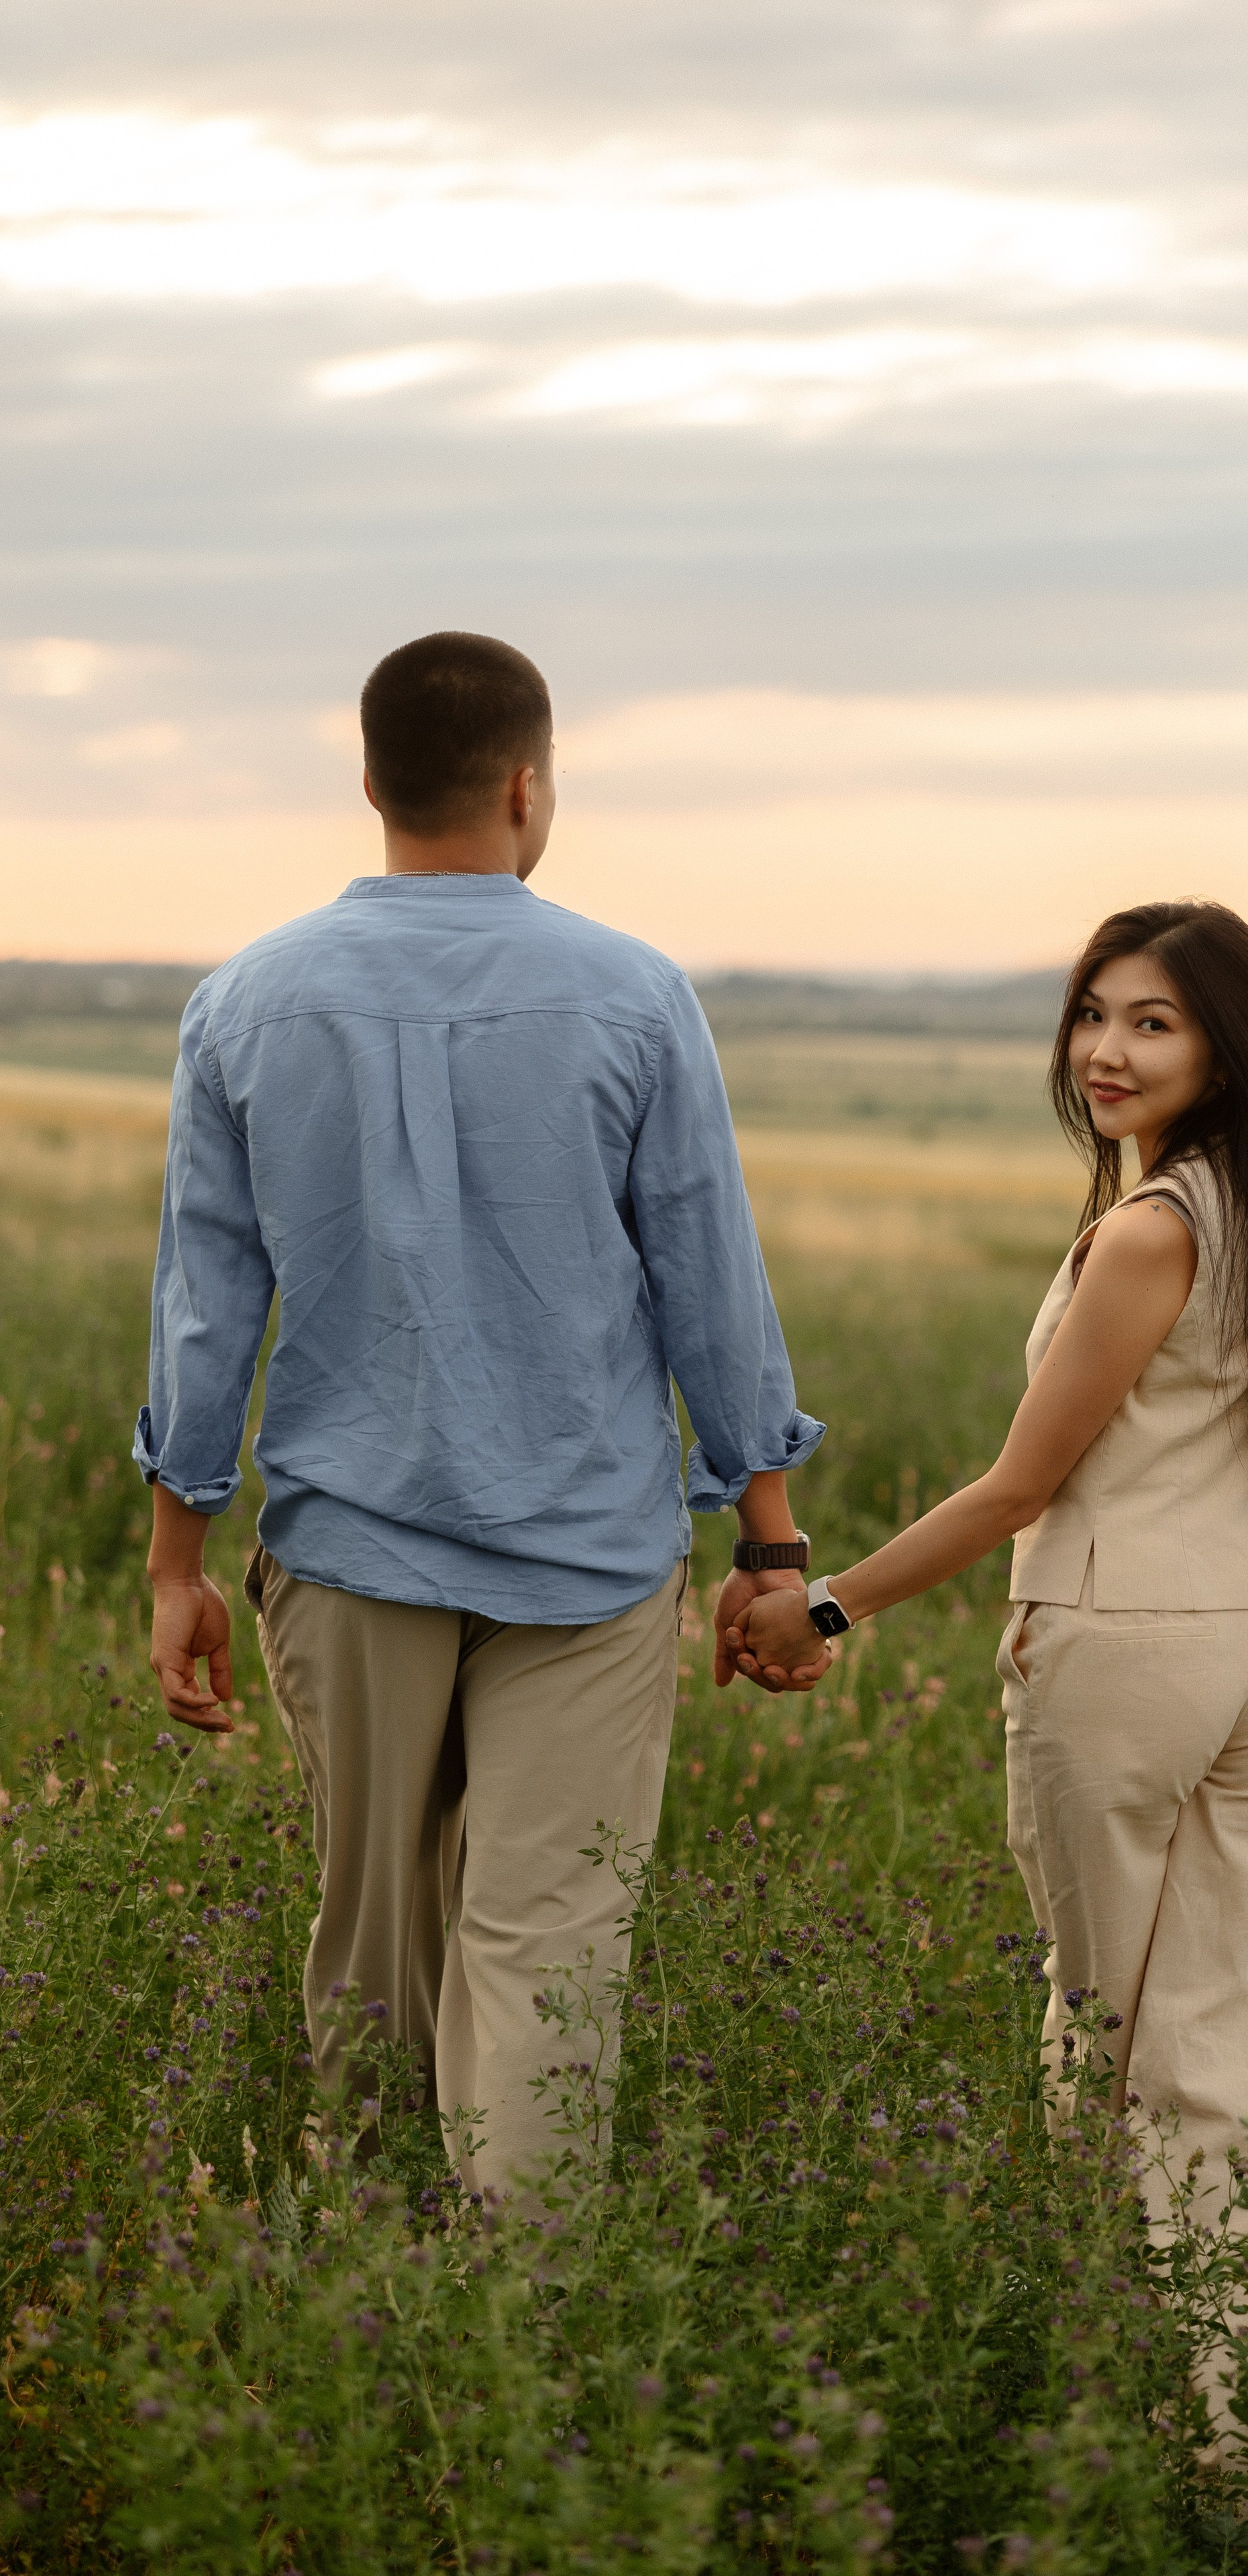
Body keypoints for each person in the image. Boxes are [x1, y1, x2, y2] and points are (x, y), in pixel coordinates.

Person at [140, 630, 826, 2207]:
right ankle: (517, 2343)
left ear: (371, 783)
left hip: (350, 1543)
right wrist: (771, 1549)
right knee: (546, 1956)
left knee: (372, 1950)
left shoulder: (243, 1002)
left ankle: (372, 2319)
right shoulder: (637, 996)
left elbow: (205, 1304)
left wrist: (180, 1562)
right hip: (586, 1560)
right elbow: (711, 1283)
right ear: (528, 785)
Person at [732, 901, 1248, 2387]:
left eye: (1150, 1022)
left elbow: (1020, 1484)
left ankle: (1124, 2409)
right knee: (1232, 2047)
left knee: (1100, 2049)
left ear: (1225, 1051)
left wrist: (824, 1602)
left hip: (1126, 1654)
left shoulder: (1150, 1230)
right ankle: (1233, 2409)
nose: (1103, 1048)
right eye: (1092, 1013)